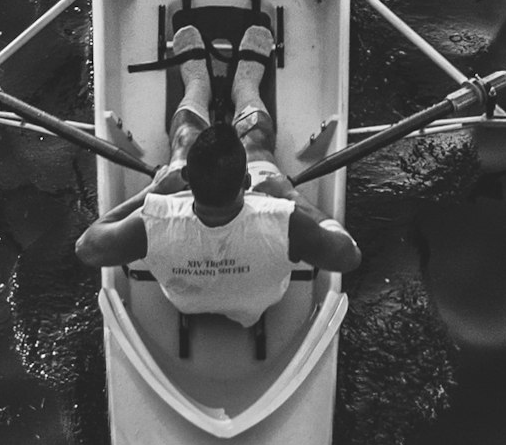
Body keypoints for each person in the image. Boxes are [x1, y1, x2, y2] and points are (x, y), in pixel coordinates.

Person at [76, 117, 359, 319]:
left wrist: (154, 190)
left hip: (185, 304)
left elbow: (87, 247)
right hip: (258, 309)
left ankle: (195, 72)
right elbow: (349, 256)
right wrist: (289, 194)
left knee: (186, 134)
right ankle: (248, 76)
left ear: (187, 180)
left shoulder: (152, 219)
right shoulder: (285, 219)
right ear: (247, 182)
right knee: (256, 138)